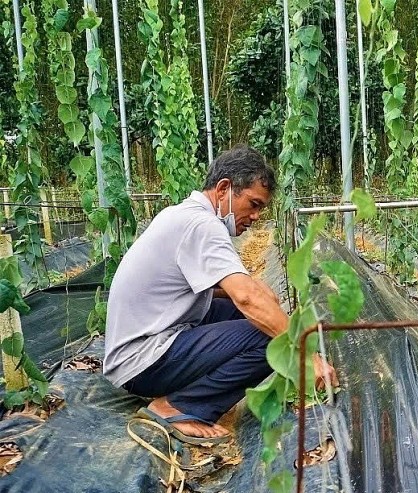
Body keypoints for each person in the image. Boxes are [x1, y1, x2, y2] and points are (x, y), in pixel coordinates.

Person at [103, 145, 336, 444]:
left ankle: (188, 393)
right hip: (142, 362)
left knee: (261, 317)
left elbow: (223, 289)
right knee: (270, 337)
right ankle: (180, 406)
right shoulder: (202, 225)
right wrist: (307, 354)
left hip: (143, 345)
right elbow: (247, 299)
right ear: (224, 188)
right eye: (252, 204)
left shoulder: (184, 215)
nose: (254, 217)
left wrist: (258, 293)